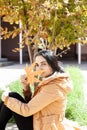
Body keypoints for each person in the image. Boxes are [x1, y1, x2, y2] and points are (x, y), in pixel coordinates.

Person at [1, 50, 81, 130]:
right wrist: (26, 87)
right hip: (40, 121)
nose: (39, 68)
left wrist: (7, 100)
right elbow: (34, 104)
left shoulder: (54, 87)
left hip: (44, 127)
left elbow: (27, 110)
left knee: (11, 97)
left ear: (52, 65)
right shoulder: (51, 81)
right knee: (12, 97)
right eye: (37, 64)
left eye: (43, 64)